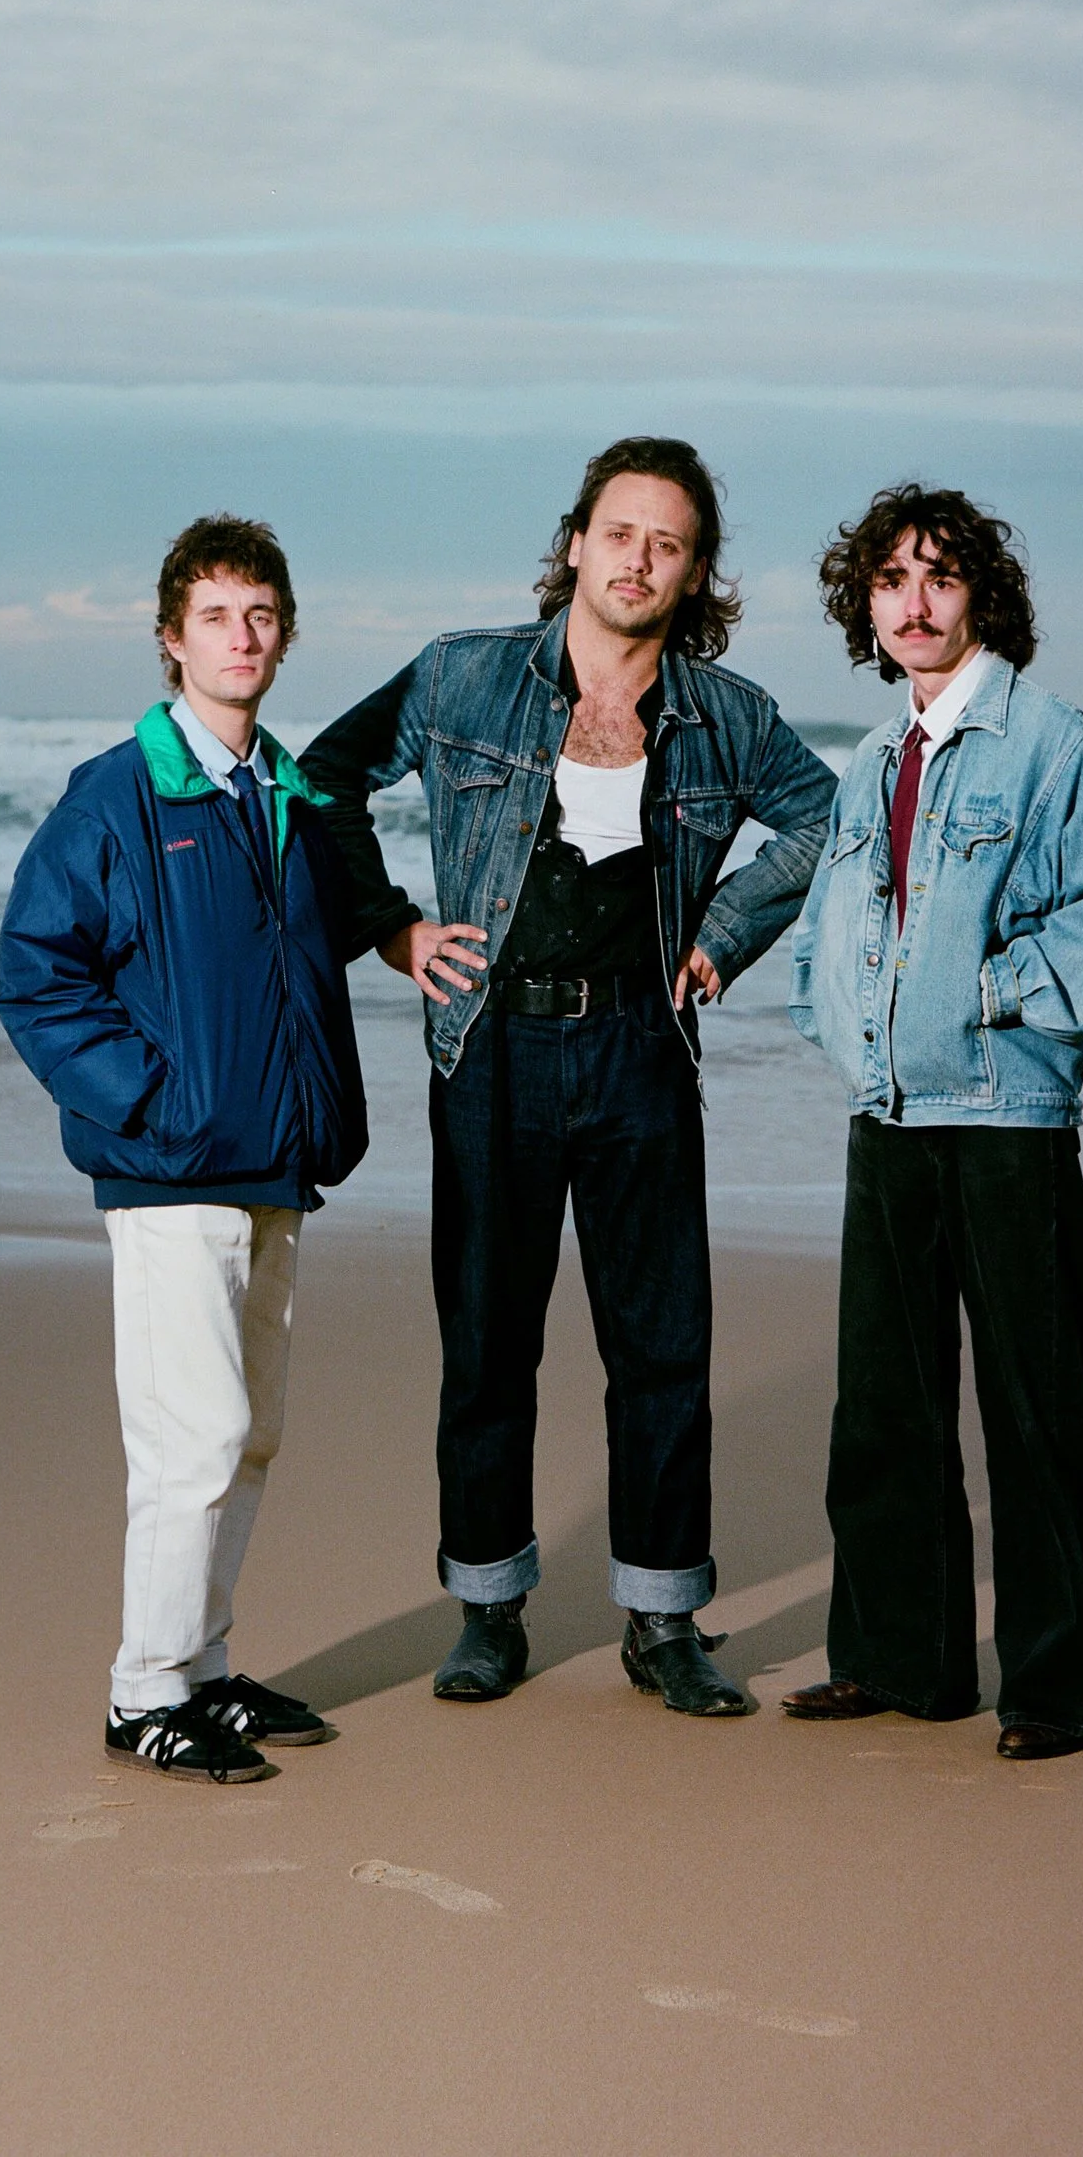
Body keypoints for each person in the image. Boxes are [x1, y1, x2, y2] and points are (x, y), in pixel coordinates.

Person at [303, 438, 836, 1715]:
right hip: (492, 1046)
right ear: (578, 543)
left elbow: (826, 818)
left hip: (642, 1053)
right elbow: (322, 777)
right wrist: (392, 929)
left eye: (668, 542)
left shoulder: (731, 715)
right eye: (620, 533)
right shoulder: (463, 677)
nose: (639, 559)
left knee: (660, 1346)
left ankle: (663, 1624)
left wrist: (723, 937)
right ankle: (489, 1611)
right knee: (488, 1343)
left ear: (693, 568)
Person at [0, 517, 368, 1784]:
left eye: (262, 615)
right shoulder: (120, 794)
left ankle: (204, 1666)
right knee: (189, 1440)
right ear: (171, 640)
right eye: (217, 616)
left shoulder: (285, 794)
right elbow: (37, 975)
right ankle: (141, 1692)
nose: (243, 637)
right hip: (171, 1169)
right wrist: (153, 1101)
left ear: (285, 635)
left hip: (273, 1162)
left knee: (249, 1433)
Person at [781, 483, 1083, 1759]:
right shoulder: (875, 758)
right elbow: (838, 926)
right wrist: (832, 1011)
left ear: (981, 593)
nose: (913, 603)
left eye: (936, 577)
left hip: (1003, 1111)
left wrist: (978, 998)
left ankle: (1059, 1691)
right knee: (883, 1405)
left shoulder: (1051, 743)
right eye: (889, 582)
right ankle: (900, 1661)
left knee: (1034, 1409)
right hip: (885, 1109)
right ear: (865, 609)